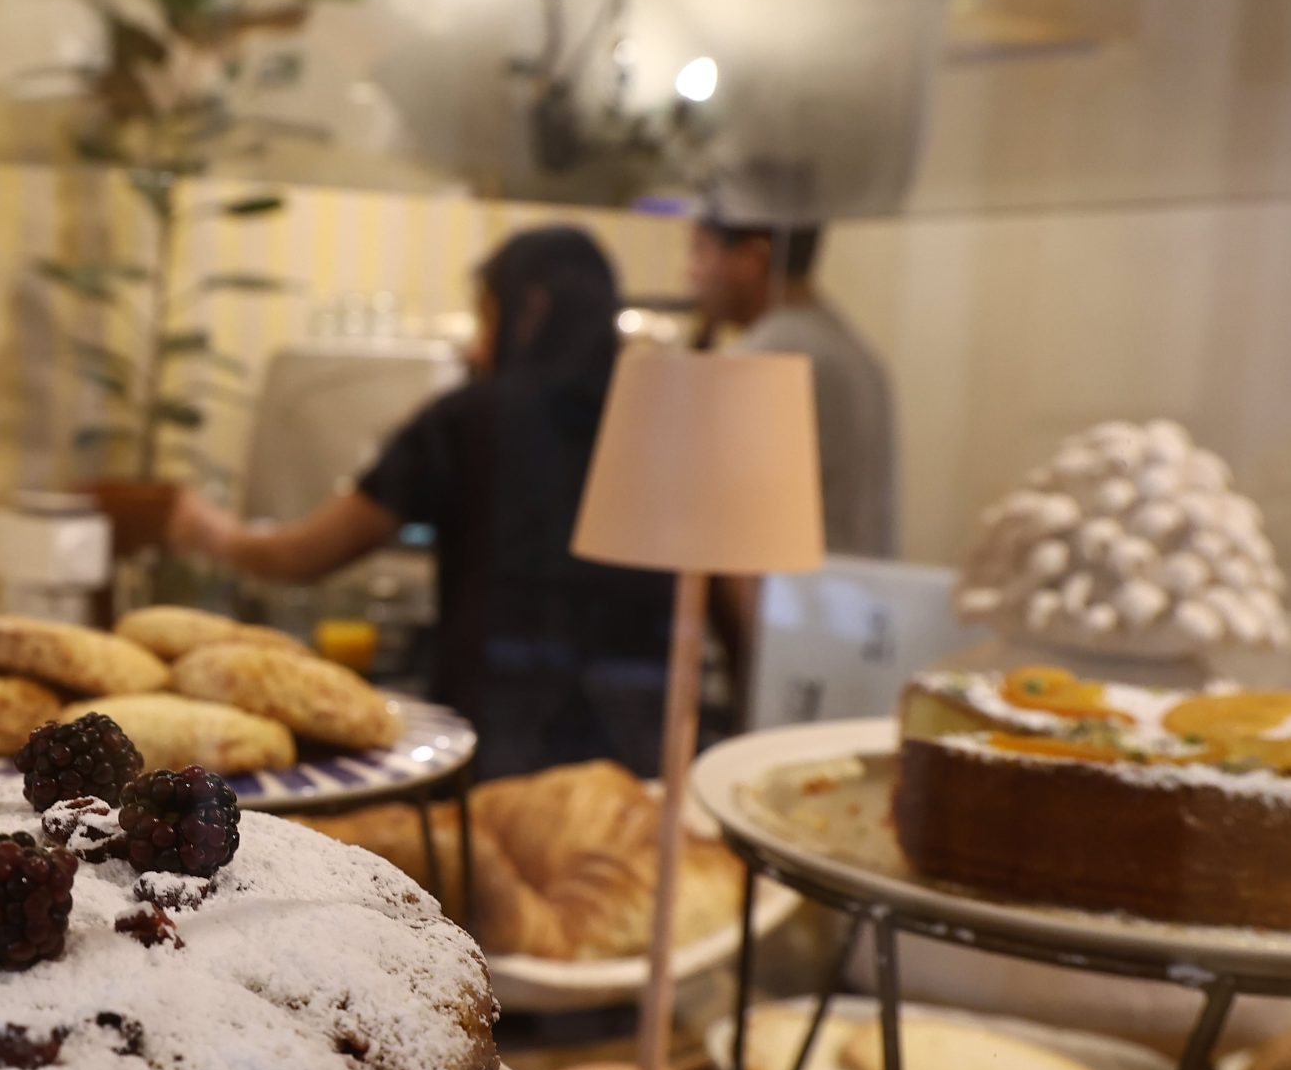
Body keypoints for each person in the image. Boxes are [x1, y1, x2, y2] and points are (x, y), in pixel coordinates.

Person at [168, 225, 675, 779]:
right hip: (637, 746)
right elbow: (730, 598)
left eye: (487, 316)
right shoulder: (663, 421)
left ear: (531, 309)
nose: (477, 346)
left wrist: (206, 530)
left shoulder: (471, 418)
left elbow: (308, 554)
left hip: (491, 741)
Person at [686, 210, 899, 558]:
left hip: (790, 599)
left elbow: (724, 526)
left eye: (700, 250)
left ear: (751, 260)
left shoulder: (765, 356)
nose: (690, 273)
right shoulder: (849, 346)